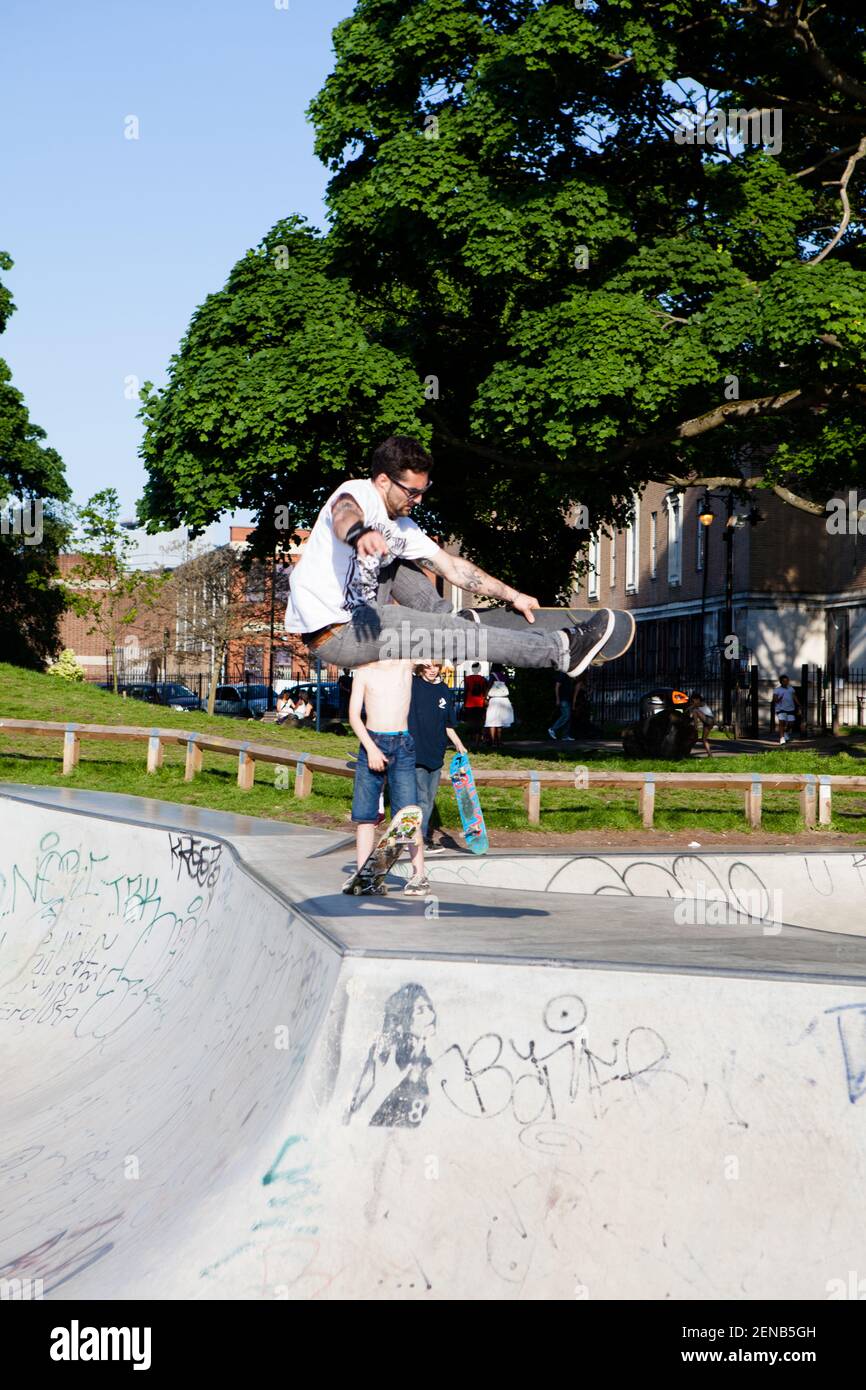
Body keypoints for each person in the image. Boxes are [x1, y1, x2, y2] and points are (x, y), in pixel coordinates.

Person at [284, 435, 626, 679]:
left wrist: (513, 595)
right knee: (460, 636)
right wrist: (361, 534)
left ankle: (447, 616)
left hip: (360, 617)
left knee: (402, 556)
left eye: (423, 491)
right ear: (384, 480)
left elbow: (453, 568)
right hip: (341, 633)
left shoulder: (401, 526)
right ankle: (564, 652)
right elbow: (344, 513)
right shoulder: (359, 493)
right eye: (412, 492)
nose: (418, 500)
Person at [347, 658, 428, 896]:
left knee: (408, 815)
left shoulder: (407, 663)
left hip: (402, 745)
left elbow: (437, 648)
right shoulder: (363, 671)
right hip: (371, 742)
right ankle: (363, 873)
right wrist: (371, 748)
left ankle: (419, 874)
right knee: (365, 815)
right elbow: (353, 716)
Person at [408, 660, 467, 852]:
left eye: (435, 666)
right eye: (428, 666)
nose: (432, 670)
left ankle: (415, 835)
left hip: (436, 752)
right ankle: (421, 839)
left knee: (429, 798)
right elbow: (401, 668)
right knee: (422, 798)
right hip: (416, 750)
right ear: (421, 667)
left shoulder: (444, 690)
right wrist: (417, 661)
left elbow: (448, 724)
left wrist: (458, 743)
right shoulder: (413, 684)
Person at [461, 662, 489, 750]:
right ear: (479, 669)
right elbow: (485, 691)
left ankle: (471, 740)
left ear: (472, 669)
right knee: (479, 721)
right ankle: (478, 740)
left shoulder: (467, 679)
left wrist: (464, 703)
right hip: (480, 703)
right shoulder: (483, 679)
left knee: (471, 722)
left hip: (470, 703)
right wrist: (485, 700)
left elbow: (465, 691)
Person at [484, 668, 514, 748]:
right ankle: (499, 741)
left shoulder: (492, 676)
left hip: (494, 700)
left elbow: (489, 686)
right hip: (504, 699)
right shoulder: (504, 676)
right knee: (500, 723)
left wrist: (485, 697)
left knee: (492, 722)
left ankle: (493, 741)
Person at [773, 674, 801, 746]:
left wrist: (798, 704)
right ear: (781, 682)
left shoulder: (791, 689)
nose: (786, 682)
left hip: (790, 708)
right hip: (781, 709)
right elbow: (775, 700)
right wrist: (779, 698)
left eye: (787, 681)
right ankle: (782, 738)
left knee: (791, 723)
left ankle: (785, 732)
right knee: (781, 722)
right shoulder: (777, 690)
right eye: (784, 681)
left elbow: (794, 697)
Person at [548, 672, 577, 742]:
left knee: (568, 717)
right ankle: (552, 729)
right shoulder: (562, 674)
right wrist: (557, 699)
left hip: (568, 699)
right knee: (566, 716)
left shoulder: (570, 675)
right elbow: (557, 686)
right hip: (563, 699)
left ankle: (565, 736)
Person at [688, 692, 715, 756]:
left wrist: (690, 707)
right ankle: (710, 755)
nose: (693, 701)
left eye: (694, 700)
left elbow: (693, 707)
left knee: (694, 711)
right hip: (708, 723)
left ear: (698, 699)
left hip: (709, 719)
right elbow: (690, 709)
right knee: (704, 739)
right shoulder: (697, 704)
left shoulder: (701, 703)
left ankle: (696, 728)